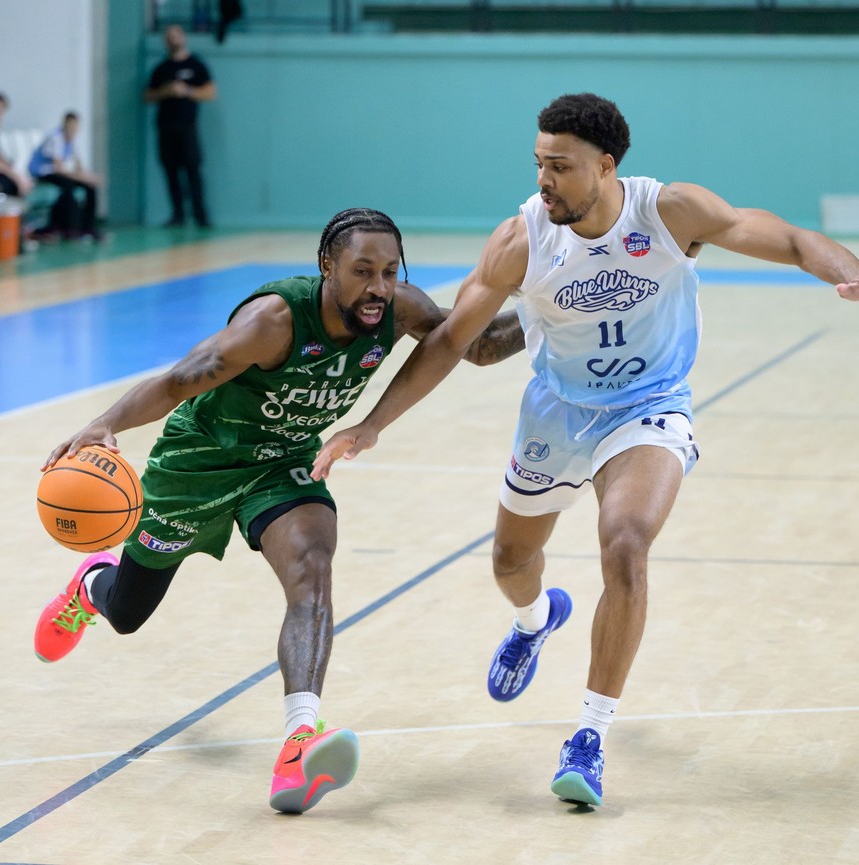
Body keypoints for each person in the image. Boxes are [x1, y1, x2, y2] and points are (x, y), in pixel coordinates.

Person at [310, 93, 859, 807]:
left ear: (605, 167)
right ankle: (536, 619)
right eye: (538, 163)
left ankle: (589, 735)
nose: (544, 180)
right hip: (557, 412)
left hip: (650, 405)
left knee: (625, 542)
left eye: (561, 167)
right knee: (510, 562)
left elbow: (782, 235)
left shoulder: (668, 213)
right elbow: (453, 340)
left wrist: (848, 275)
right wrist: (375, 421)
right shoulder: (522, 238)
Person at [34, 208, 524, 813]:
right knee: (129, 613)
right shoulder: (271, 322)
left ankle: (299, 742)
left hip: (286, 463)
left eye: (391, 271)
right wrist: (105, 423)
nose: (379, 286)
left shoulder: (399, 308)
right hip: (200, 461)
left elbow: (474, 346)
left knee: (312, 571)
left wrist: (554, 308)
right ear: (326, 268)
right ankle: (91, 588)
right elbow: (178, 381)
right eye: (363, 270)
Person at [144, 24, 216, 228]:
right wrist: (166, 92)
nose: (173, 39)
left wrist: (187, 91)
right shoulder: (161, 69)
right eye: (169, 36)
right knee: (171, 172)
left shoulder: (196, 65)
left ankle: (200, 214)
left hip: (188, 128)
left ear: (183, 37)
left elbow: (210, 92)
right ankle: (178, 214)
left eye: (176, 35)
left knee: (193, 171)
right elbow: (148, 95)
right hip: (166, 128)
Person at [28, 112, 103, 241]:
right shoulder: (55, 138)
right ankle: (72, 228)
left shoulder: (72, 141)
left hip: (59, 173)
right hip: (44, 173)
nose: (73, 129)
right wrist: (80, 177)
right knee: (68, 186)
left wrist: (90, 177)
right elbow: (58, 168)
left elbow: (78, 166)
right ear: (65, 125)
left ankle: (88, 227)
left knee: (90, 187)